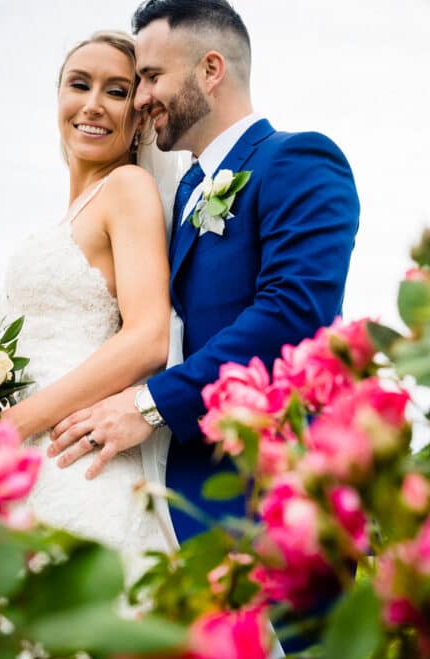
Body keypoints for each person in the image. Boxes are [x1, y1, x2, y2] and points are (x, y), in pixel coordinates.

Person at [47, 0, 360, 543]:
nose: (142, 99)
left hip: (277, 490)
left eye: (150, 77)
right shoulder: (183, 192)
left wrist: (148, 406)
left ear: (210, 70)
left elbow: (293, 314)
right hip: (182, 493)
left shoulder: (299, 160)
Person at [0, 30, 187, 563]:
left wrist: (17, 424)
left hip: (75, 460)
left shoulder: (127, 188)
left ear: (139, 115)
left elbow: (148, 338)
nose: (93, 105)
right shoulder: (69, 216)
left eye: (116, 91)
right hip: (30, 463)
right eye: (79, 85)